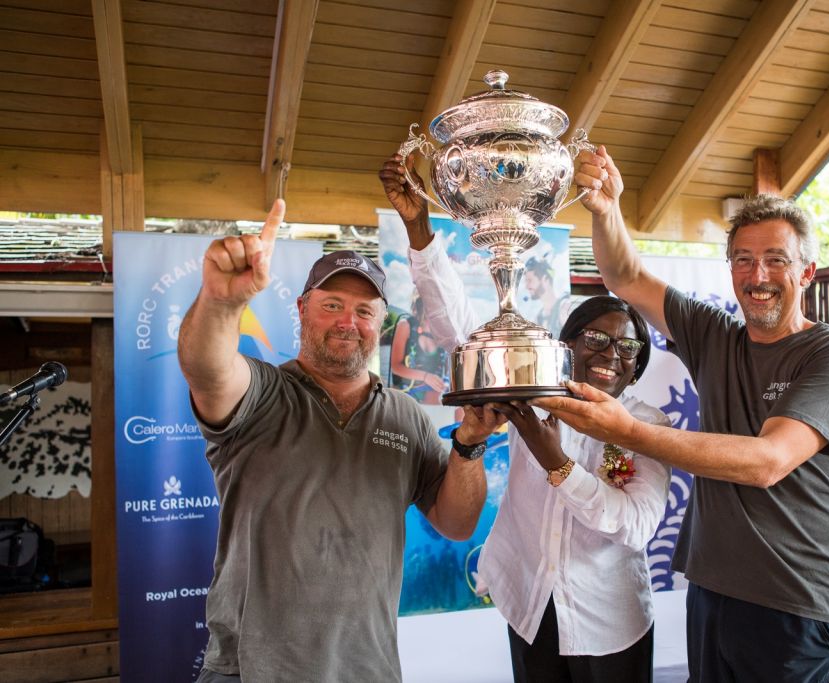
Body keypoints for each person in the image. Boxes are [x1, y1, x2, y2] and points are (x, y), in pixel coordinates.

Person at [531, 147, 829, 682]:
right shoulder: (716, 334)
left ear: (806, 271)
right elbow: (624, 277)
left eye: (775, 260)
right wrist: (606, 210)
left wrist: (628, 432)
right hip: (712, 596)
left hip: (797, 608)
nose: (757, 275)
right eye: (742, 259)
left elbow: (767, 461)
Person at [177, 199, 506, 683]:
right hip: (250, 671)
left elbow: (458, 523)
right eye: (332, 305)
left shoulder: (405, 415)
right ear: (302, 309)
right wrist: (221, 303)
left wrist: (470, 443)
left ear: (381, 322)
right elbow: (207, 370)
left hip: (367, 669)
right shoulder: (262, 393)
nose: (347, 322)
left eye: (363, 311)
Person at [381, 154, 671, 683]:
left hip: (611, 622)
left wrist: (551, 455)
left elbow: (635, 526)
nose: (612, 355)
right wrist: (420, 231)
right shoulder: (536, 391)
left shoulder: (648, 426)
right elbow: (460, 328)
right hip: (530, 606)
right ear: (566, 349)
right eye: (597, 340)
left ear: (638, 366)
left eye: (628, 347)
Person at [388, 293, 447, 404]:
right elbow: (395, 367)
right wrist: (426, 377)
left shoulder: (443, 330)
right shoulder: (405, 326)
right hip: (405, 390)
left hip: (433, 392)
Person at [523, 254, 573, 337]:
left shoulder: (564, 308)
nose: (526, 286)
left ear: (545, 279)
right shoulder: (539, 318)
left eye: (530, 280)